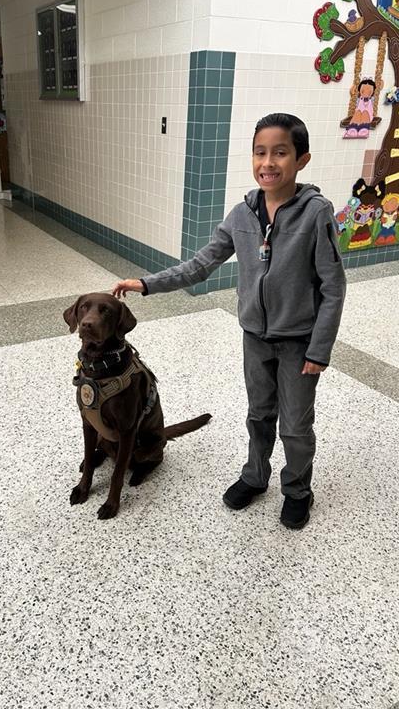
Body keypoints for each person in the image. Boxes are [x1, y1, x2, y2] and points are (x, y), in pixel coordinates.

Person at [112, 113, 346, 530]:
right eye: (260, 152)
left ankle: (297, 489)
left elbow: (333, 287)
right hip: (255, 338)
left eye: (280, 152)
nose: (268, 163)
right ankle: (256, 476)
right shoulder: (243, 213)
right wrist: (146, 284)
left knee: (295, 425)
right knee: (259, 415)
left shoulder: (316, 214)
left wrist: (319, 350)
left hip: (299, 344)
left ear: (301, 159)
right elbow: (202, 264)